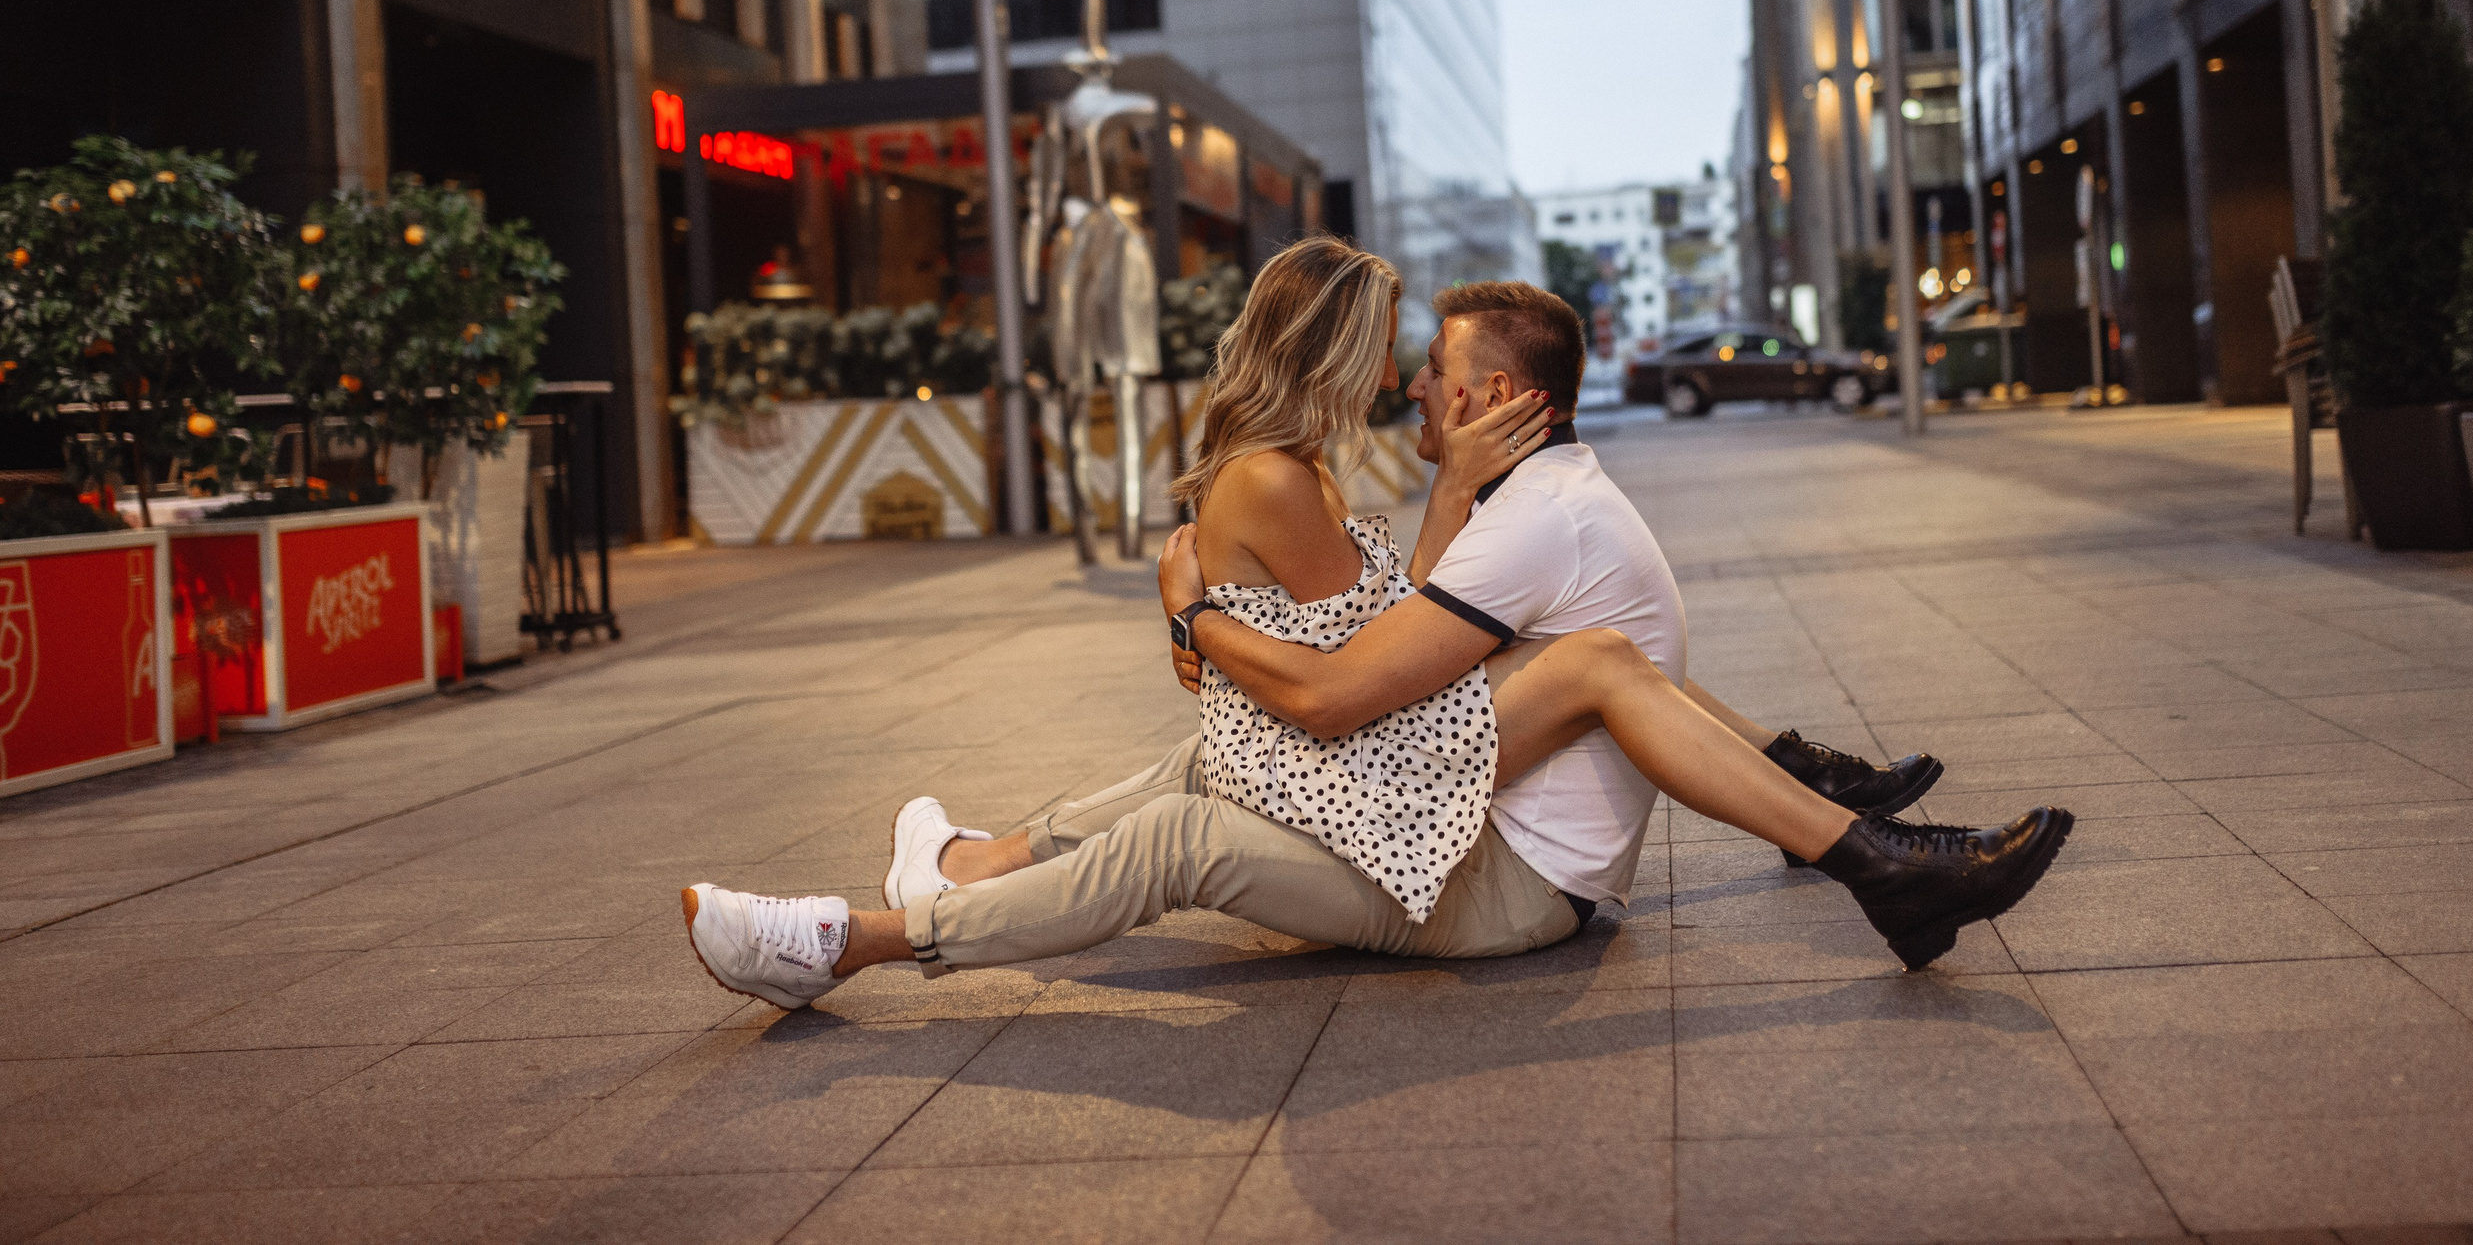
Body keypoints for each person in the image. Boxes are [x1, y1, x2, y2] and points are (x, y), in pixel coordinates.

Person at [680, 264, 2071, 1010]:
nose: (1409, 382)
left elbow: (1347, 688)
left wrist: (1197, 611)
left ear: (1493, 398)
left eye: (1434, 372)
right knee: (1206, 773)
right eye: (1401, 358)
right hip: (1449, 833)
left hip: (1480, 879)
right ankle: (955, 878)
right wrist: (1236, 606)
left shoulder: (1507, 516)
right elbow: (1381, 666)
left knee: (1185, 825)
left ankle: (855, 941)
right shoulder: (1492, 498)